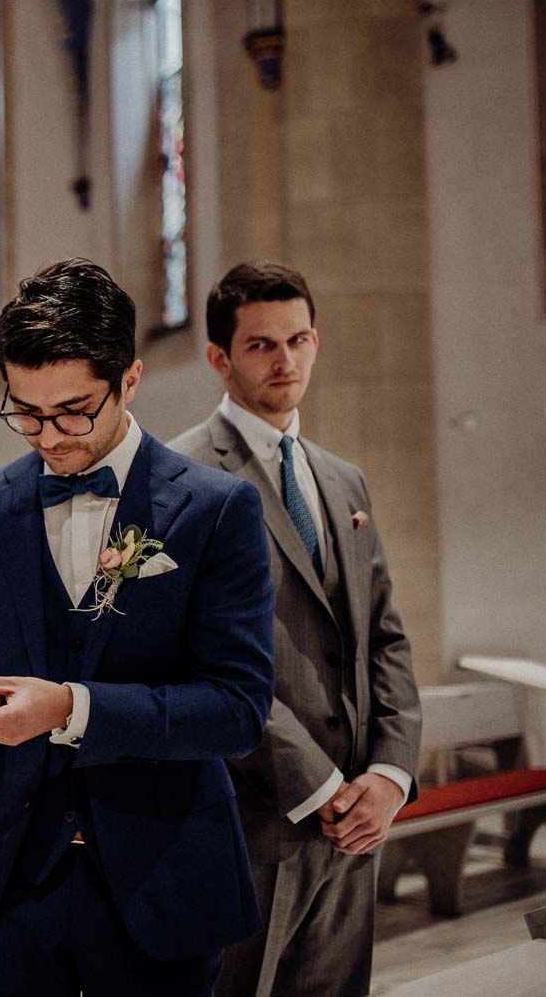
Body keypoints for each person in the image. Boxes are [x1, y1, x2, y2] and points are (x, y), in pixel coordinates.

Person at [0, 259, 276, 995]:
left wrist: (70, 710)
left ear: (131, 380)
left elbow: (237, 710)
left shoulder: (215, 510)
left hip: (162, 880)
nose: (47, 435)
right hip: (6, 882)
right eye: (24, 410)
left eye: (74, 410)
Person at [170, 262, 421, 997]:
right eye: (261, 345)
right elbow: (200, 657)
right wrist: (320, 788)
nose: (286, 360)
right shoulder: (182, 476)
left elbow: (385, 636)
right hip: (250, 814)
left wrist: (389, 776)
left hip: (357, 818)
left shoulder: (343, 479)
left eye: (299, 338)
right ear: (219, 358)